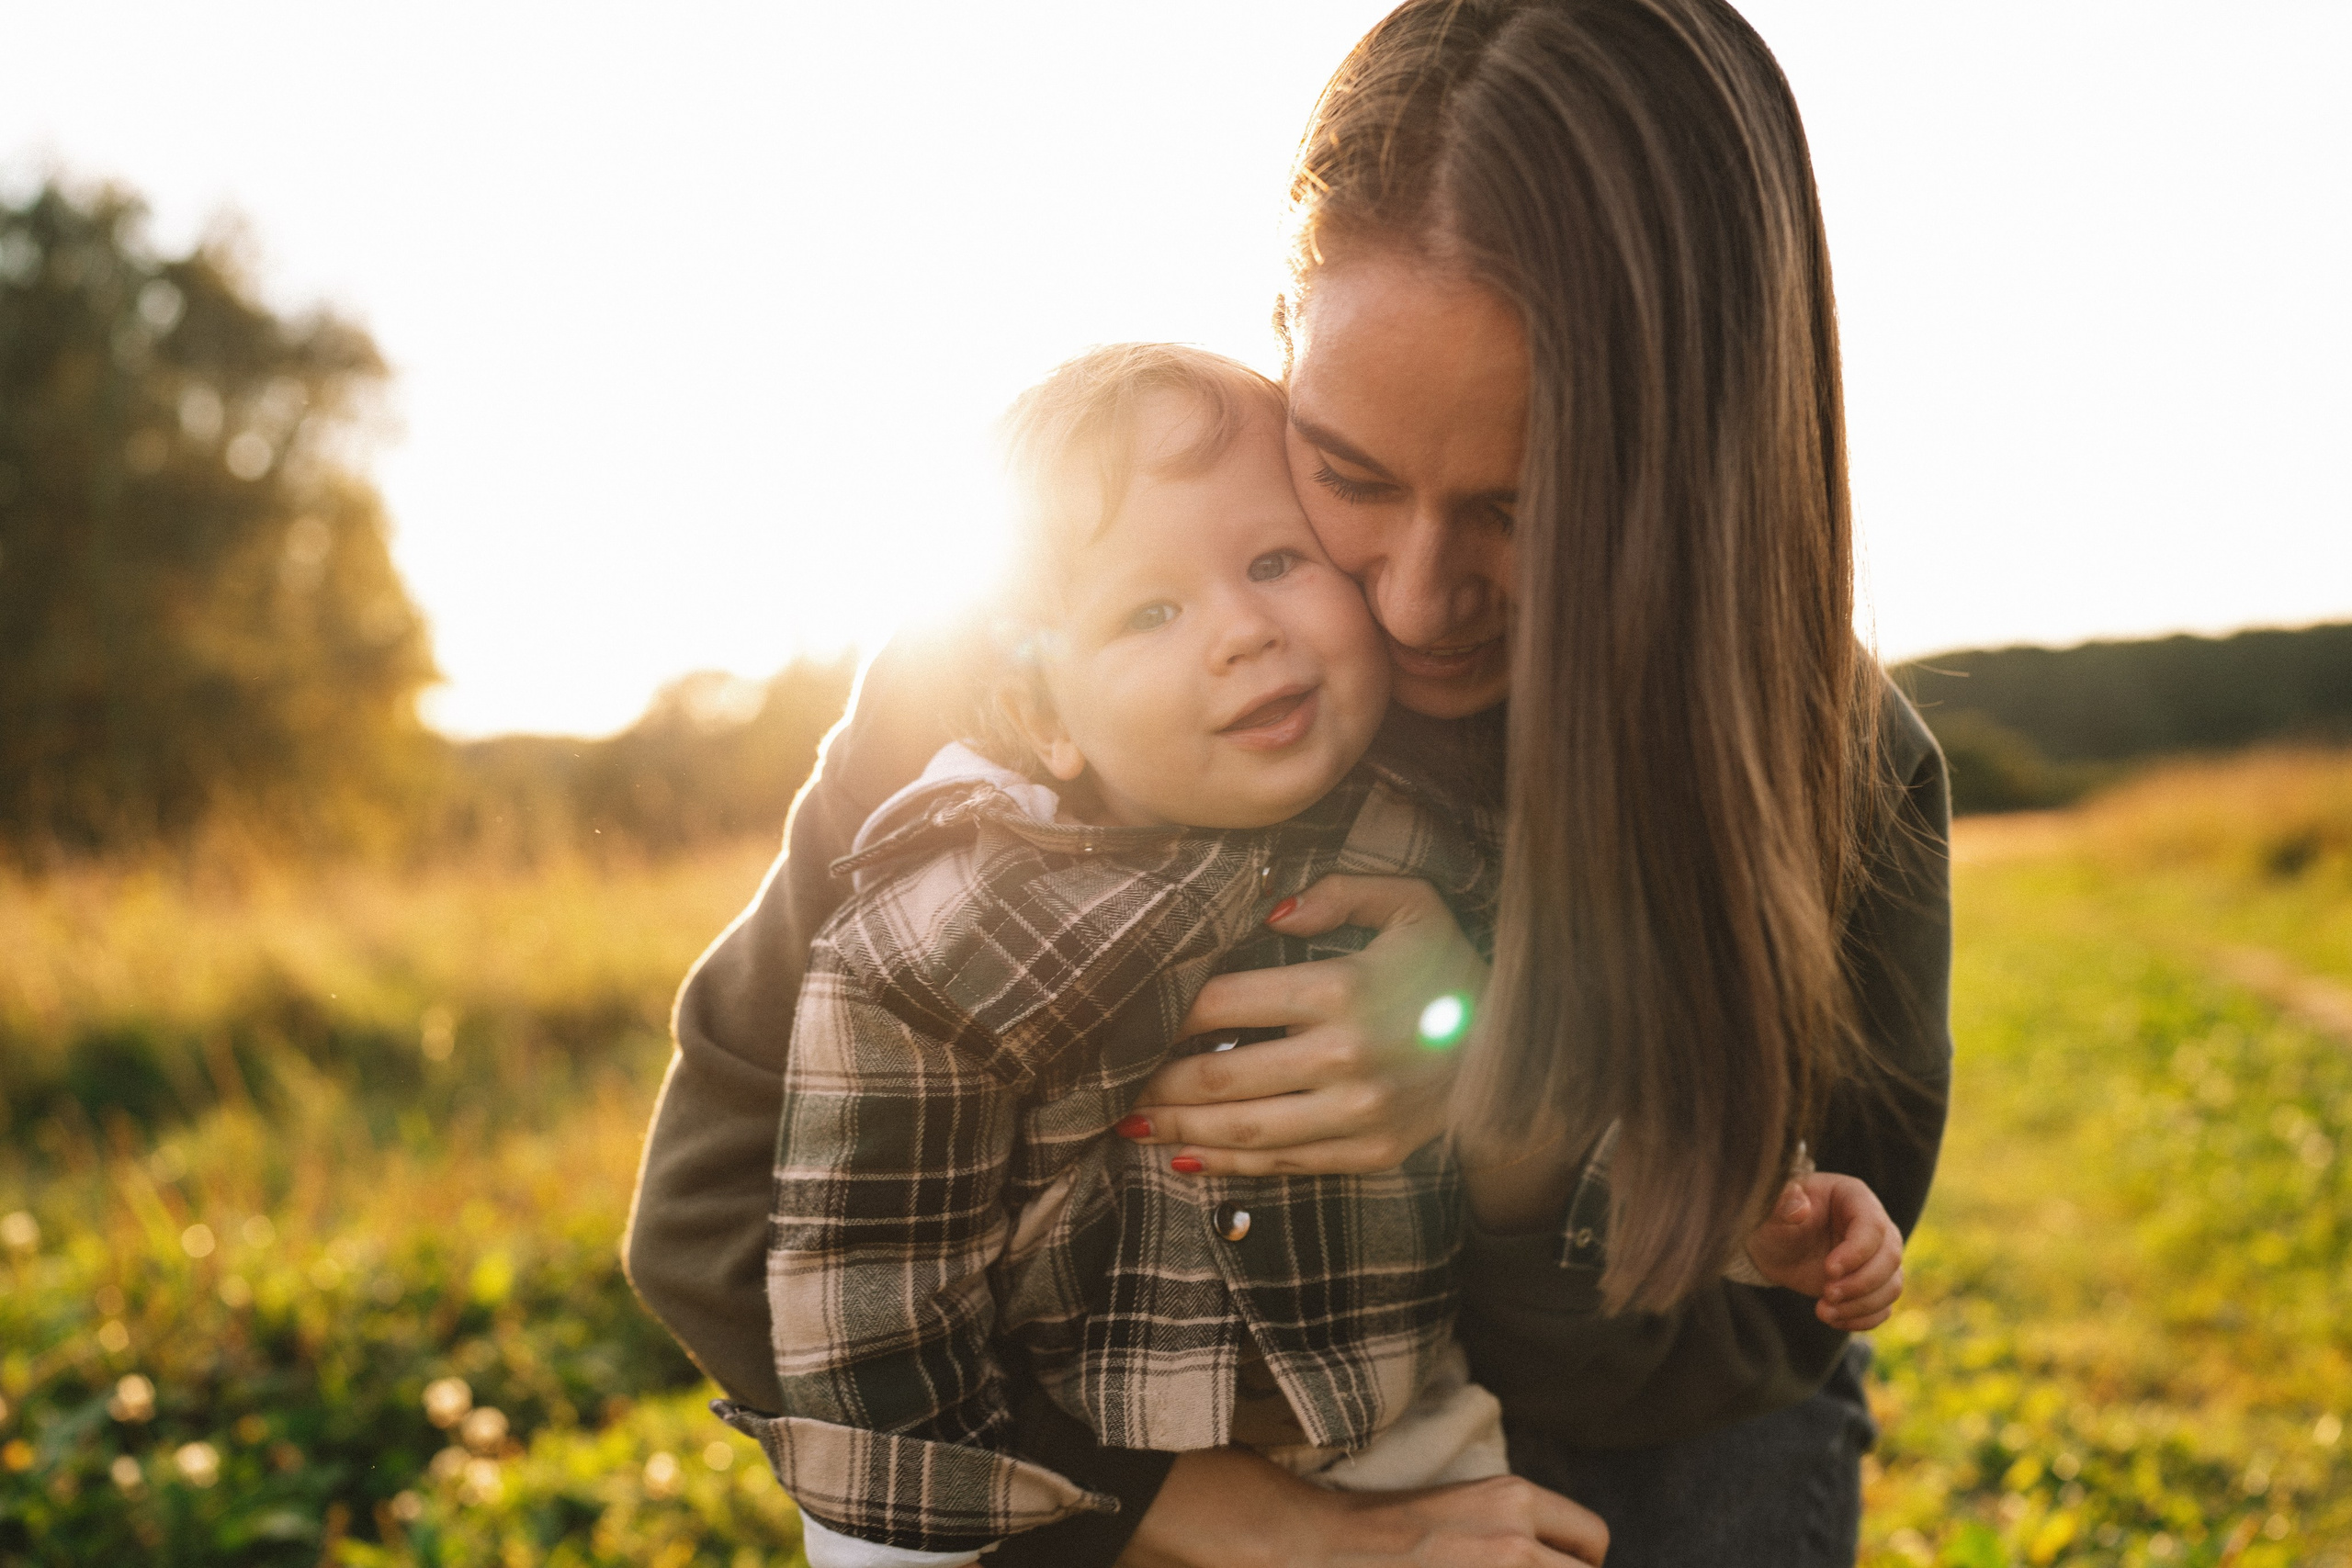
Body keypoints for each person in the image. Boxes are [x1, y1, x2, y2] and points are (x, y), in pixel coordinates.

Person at [626, 2, 1952, 1563]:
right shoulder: (1032, 657)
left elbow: (1706, 1373)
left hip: (1610, 1461)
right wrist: (1240, 1524)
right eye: (1350, 474)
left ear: (1706, 462)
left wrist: (1499, 1109)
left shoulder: (1830, 770)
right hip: (1137, 1480)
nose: (1408, 599)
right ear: (1284, 344)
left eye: (1531, 511)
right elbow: (724, 1221)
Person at [717, 344, 1908, 1568]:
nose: (1244, 631)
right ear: (1040, 715)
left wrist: (1741, 1220)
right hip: (1089, 1461)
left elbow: (1568, 1094)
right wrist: (970, 1515)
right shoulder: (945, 933)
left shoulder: (1439, 853)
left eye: (1278, 562)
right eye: (1151, 611)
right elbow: (863, 1289)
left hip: (1400, 1425)